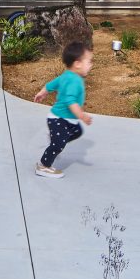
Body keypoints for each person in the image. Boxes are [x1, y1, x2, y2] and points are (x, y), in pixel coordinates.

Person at [32, 40, 93, 178]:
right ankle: (43, 166)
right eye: (89, 61)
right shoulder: (74, 81)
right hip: (60, 119)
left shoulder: (68, 75)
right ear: (77, 64)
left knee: (77, 131)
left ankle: (56, 137)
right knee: (59, 145)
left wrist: (43, 92)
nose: (91, 65)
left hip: (64, 119)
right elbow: (70, 102)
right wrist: (82, 116)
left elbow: (52, 83)